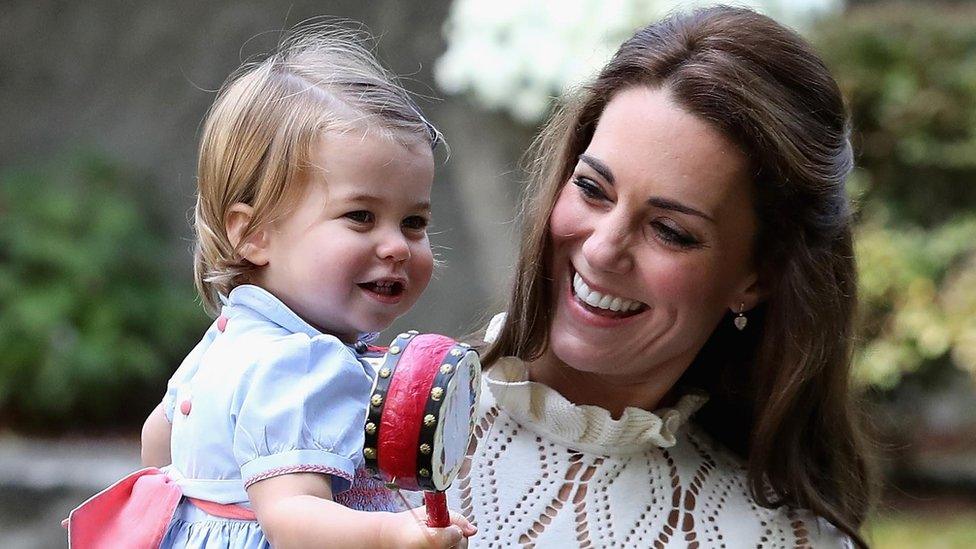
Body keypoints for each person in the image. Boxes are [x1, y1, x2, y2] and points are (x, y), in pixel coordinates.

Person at [447, 6, 875, 548]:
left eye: (670, 230)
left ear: (757, 277)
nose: (603, 251)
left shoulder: (780, 539)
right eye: (592, 189)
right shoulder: (344, 409)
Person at [66, 24, 476, 548]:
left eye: (414, 223)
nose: (396, 245)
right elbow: (292, 518)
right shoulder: (304, 362)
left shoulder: (230, 335)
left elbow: (158, 445)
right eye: (360, 216)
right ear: (254, 233)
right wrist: (391, 534)